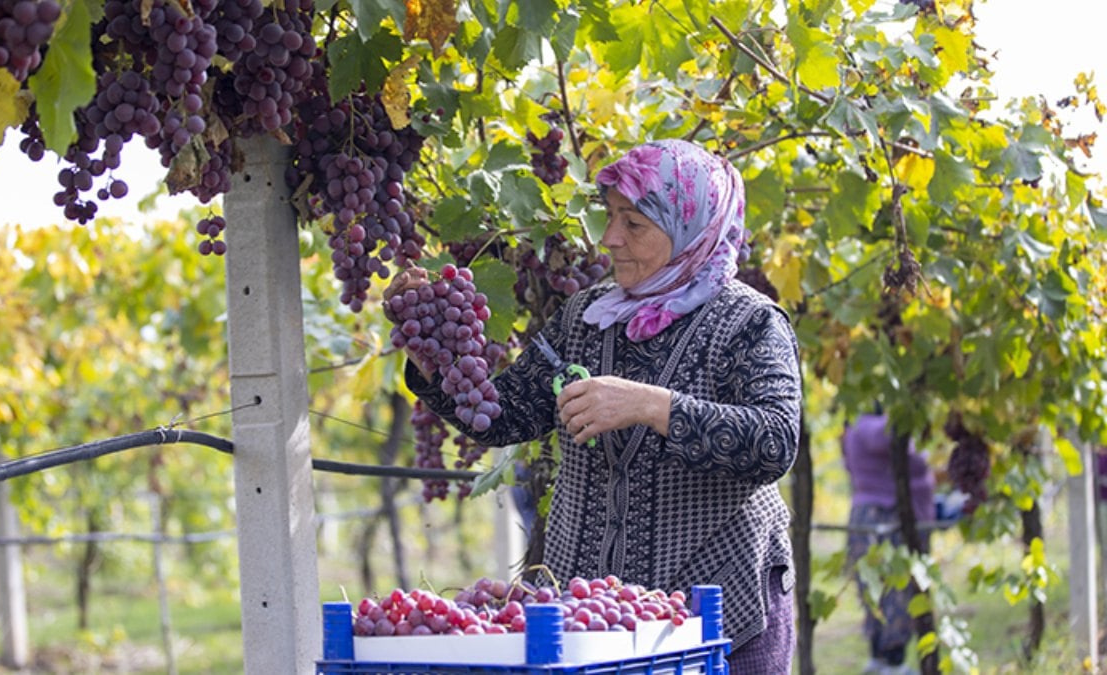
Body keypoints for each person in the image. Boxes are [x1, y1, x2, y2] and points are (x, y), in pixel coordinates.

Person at [385, 140, 801, 673]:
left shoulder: (749, 323)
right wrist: (435, 364)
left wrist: (652, 405)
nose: (609, 240)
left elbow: (774, 442)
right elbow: (505, 414)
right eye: (610, 218)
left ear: (689, 228)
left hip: (719, 612)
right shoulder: (586, 314)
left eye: (634, 225)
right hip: (594, 623)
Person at [842, 411, 935, 675]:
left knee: (877, 590)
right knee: (896, 590)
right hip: (887, 518)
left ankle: (882, 658)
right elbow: (893, 442)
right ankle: (892, 661)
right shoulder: (873, 426)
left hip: (873, 515)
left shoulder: (855, 426)